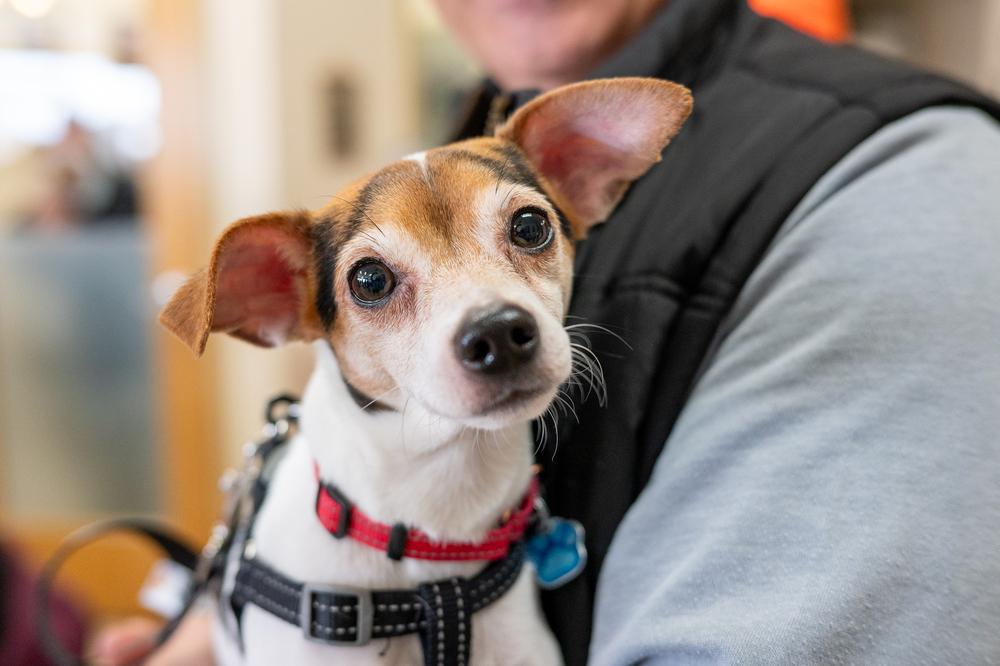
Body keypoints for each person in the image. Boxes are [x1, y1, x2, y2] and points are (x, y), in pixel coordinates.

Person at [95, 0, 1000, 663]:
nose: (489, 321)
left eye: (525, 230)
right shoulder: (484, 130)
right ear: (279, 297)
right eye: (377, 283)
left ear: (586, 172)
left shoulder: (894, 172)